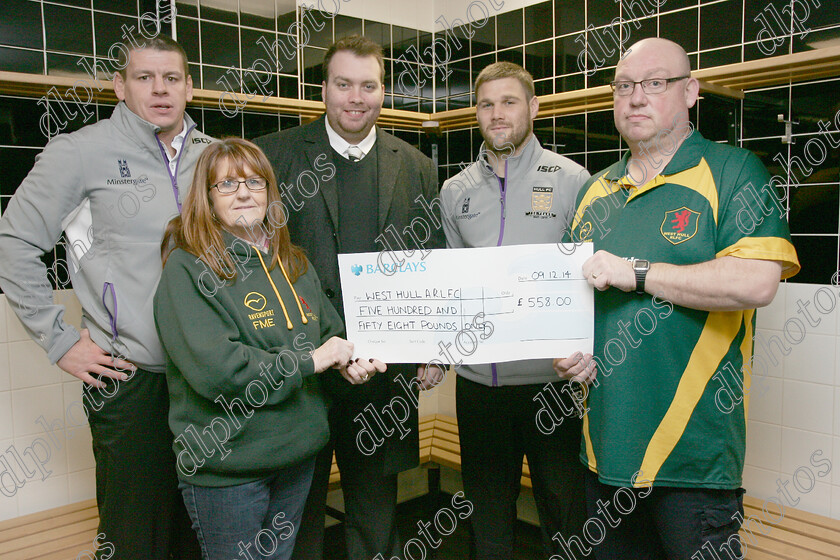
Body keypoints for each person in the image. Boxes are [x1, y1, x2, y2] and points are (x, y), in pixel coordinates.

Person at [565, 38, 800, 559]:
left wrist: (639, 273)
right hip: (603, 453)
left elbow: (757, 281)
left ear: (690, 91)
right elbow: (576, 303)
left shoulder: (735, 172)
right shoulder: (594, 192)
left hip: (694, 464)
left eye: (655, 83)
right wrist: (571, 355)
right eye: (624, 86)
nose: (636, 98)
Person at [0, 34, 213, 558]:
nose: (160, 90)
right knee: (134, 534)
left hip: (209, 378)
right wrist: (59, 341)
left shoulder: (215, 157)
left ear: (189, 86)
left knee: (201, 530)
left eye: (171, 78)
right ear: (120, 86)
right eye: (144, 78)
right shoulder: (80, 152)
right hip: (128, 379)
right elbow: (13, 243)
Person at [254, 35, 445, 560]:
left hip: (383, 376)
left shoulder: (416, 166)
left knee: (374, 513)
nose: (355, 98)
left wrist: (434, 345)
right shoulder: (276, 156)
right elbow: (254, 264)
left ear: (384, 91)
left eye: (368, 85)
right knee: (297, 513)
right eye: (343, 85)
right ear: (324, 90)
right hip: (304, 373)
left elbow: (433, 260)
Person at [153, 138, 384, 560]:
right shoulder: (187, 270)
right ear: (206, 198)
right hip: (229, 470)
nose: (243, 192)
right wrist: (312, 362)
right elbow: (221, 371)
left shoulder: (293, 262)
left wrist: (352, 361)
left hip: (297, 459)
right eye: (226, 185)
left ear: (270, 193)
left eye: (255, 182)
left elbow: (329, 337)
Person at [439, 61, 595, 559]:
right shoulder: (455, 190)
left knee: (564, 512)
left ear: (533, 107)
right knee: (487, 516)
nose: (496, 113)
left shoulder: (574, 180)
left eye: (509, 101)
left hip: (553, 385)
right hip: (479, 386)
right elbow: (454, 288)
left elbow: (596, 282)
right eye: (486, 104)